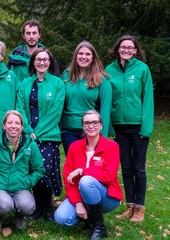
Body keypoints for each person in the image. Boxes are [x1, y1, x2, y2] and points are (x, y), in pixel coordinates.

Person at [106, 35, 154, 222]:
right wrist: (109, 127)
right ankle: (130, 206)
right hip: (119, 127)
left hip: (138, 127)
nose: (126, 50)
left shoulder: (142, 70)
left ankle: (140, 208)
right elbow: (108, 100)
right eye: (123, 47)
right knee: (125, 167)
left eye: (130, 47)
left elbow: (148, 99)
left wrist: (146, 127)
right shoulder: (110, 70)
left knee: (138, 168)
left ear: (135, 51)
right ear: (118, 49)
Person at [54, 110, 123, 240]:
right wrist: (78, 203)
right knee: (61, 218)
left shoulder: (112, 146)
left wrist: (82, 171)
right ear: (83, 126)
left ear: (101, 125)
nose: (91, 126)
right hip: (82, 195)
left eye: (94, 122)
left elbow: (108, 177)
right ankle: (89, 218)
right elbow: (68, 178)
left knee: (86, 181)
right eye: (86, 123)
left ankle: (99, 227)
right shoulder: (74, 147)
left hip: (107, 197)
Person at [16, 47, 64, 221]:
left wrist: (38, 133)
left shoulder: (57, 83)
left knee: (44, 170)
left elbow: (55, 112)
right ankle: (38, 207)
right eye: (38, 59)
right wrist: (28, 131)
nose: (42, 62)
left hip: (48, 135)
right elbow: (20, 108)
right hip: (28, 136)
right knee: (33, 170)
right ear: (33, 62)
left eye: (45, 59)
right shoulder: (25, 83)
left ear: (50, 62)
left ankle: (48, 206)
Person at [0, 110, 45, 235]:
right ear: (4, 125)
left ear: (22, 126)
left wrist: (27, 181)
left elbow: (39, 169)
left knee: (28, 206)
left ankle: (20, 216)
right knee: (4, 205)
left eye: (17, 123)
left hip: (21, 187)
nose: (13, 126)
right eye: (10, 122)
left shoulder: (30, 145)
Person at [61, 41, 112, 155]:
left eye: (88, 54)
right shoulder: (66, 76)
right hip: (69, 129)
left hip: (91, 129)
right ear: (76, 56)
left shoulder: (101, 79)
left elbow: (106, 108)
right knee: (74, 167)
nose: (83, 57)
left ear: (93, 57)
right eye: (80, 53)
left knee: (90, 166)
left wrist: (102, 133)